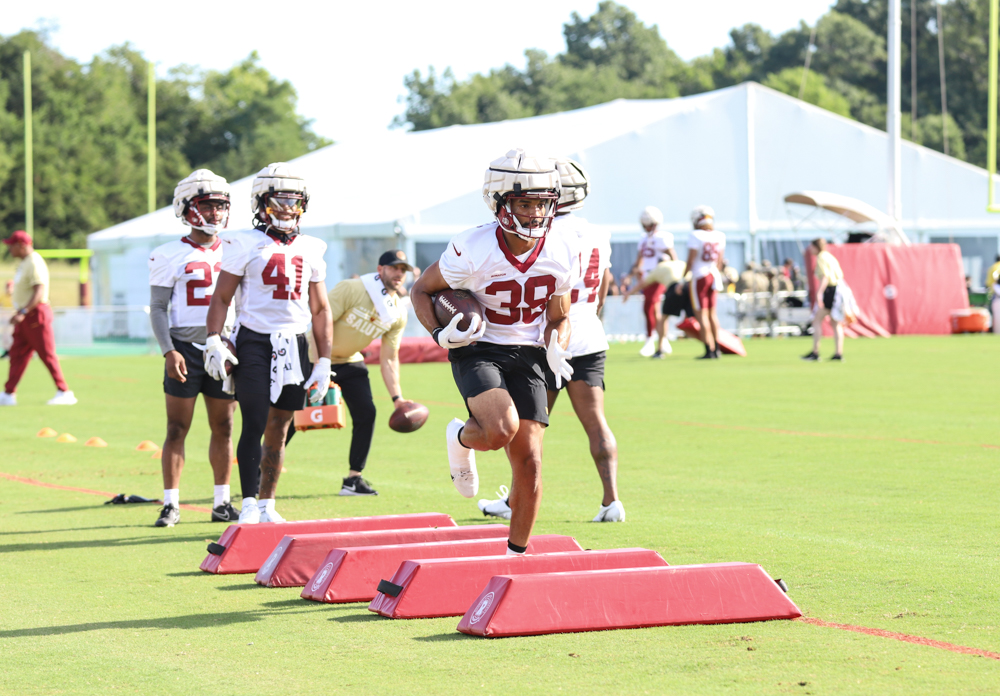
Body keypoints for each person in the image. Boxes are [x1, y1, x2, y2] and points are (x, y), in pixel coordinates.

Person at [410, 148, 580, 556]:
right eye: (525, 203)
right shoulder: (473, 246)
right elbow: (422, 289)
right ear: (500, 202)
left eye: (542, 203)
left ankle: (514, 557)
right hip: (479, 346)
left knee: (531, 462)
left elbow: (560, 315)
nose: (536, 213)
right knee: (502, 429)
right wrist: (438, 332)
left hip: (530, 352)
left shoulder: (562, 248)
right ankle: (462, 437)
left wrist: (559, 344)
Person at [477, 158, 623, 523]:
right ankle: (612, 501)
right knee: (596, 422)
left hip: (548, 334)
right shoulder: (597, 232)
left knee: (529, 428)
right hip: (588, 332)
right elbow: (603, 285)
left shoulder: (544, 230)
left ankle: (515, 501)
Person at [204, 163, 333, 524]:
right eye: (281, 200)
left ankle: (267, 503)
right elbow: (221, 298)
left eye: (295, 201)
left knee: (282, 424)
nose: (288, 209)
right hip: (255, 340)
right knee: (255, 420)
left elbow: (320, 308)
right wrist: (214, 338)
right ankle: (246, 502)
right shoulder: (243, 242)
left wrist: (324, 361)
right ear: (261, 203)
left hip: (295, 343)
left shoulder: (312, 247)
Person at [146, 170, 238, 528]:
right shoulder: (168, 253)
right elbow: (158, 308)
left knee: (224, 427)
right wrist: (169, 350)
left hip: (224, 347)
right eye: (207, 205)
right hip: (185, 347)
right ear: (186, 208)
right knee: (176, 429)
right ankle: (171, 504)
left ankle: (221, 501)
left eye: (220, 206)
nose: (215, 213)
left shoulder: (235, 249)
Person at [324, 249, 414, 496]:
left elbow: (389, 359)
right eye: (394, 267)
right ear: (380, 269)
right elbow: (321, 324)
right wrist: (317, 364)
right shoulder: (352, 288)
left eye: (403, 269)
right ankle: (261, 471)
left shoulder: (398, 311)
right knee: (292, 417)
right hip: (316, 357)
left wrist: (398, 399)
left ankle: (353, 479)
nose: (399, 273)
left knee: (366, 413)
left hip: (350, 361)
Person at [0, 230, 76, 406]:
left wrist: (24, 311)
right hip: (24, 316)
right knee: (17, 355)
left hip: (35, 315)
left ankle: (64, 391)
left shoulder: (34, 261)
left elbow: (39, 290)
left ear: (21, 245)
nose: (9, 249)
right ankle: (8, 393)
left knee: (47, 354)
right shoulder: (25, 262)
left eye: (12, 246)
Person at [625, 206, 675, 357]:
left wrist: (673, 274)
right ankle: (662, 339)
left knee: (650, 306)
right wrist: (631, 275)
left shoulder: (662, 237)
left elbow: (672, 255)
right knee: (654, 310)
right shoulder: (644, 238)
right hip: (646, 277)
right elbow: (639, 260)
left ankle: (651, 339)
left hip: (658, 276)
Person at [684, 205, 726, 360]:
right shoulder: (720, 235)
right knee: (713, 314)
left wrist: (684, 276)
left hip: (700, 276)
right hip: (714, 275)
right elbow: (720, 262)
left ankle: (709, 348)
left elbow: (691, 260)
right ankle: (717, 348)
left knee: (702, 315)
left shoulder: (695, 235)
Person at [623, 258, 688, 358]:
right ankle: (712, 347)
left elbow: (642, 284)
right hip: (689, 285)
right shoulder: (680, 263)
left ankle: (660, 350)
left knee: (663, 318)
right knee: (701, 315)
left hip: (674, 287)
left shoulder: (658, 268)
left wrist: (628, 293)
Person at [803, 238, 845, 361]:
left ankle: (815, 352)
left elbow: (825, 277)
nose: (810, 249)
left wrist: (819, 293)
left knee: (817, 320)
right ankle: (838, 353)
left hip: (830, 290)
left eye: (811, 246)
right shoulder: (829, 256)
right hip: (839, 289)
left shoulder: (821, 257)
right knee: (835, 322)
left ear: (816, 247)